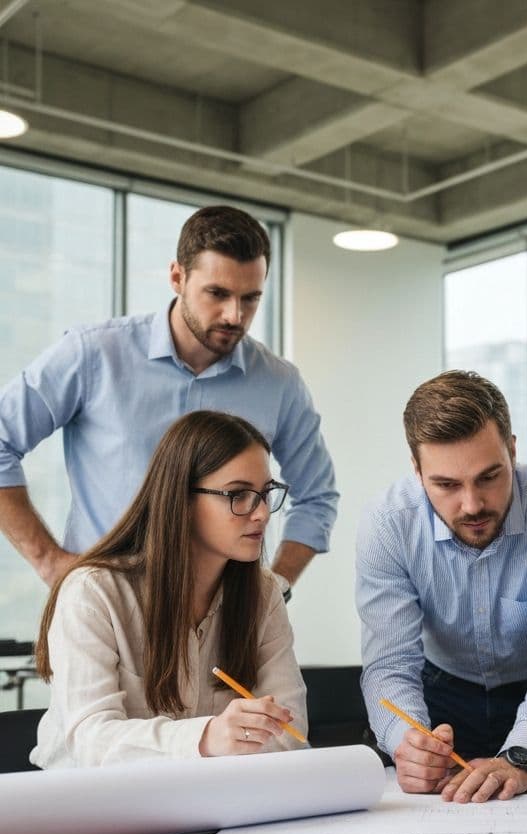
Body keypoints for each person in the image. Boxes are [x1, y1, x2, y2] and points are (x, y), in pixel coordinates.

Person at [0, 205, 337, 592]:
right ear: (177, 276)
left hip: (222, 622)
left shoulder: (279, 383)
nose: (235, 314)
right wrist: (49, 562)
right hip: (106, 606)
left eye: (250, 298)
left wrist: (275, 588)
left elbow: (317, 497)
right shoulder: (93, 354)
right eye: (218, 293)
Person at [357, 370, 527, 803]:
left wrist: (522, 755)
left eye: (489, 477)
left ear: (513, 450)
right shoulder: (387, 524)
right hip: (440, 697)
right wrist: (408, 741)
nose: (472, 504)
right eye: (447, 485)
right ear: (417, 471)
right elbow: (389, 663)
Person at [31, 411, 307, 768]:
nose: (262, 514)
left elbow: (290, 731)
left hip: (209, 803)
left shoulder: (263, 593)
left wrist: (241, 743)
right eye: (239, 495)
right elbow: (91, 738)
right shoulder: (92, 593)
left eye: (265, 493)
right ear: (183, 501)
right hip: (88, 808)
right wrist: (207, 737)